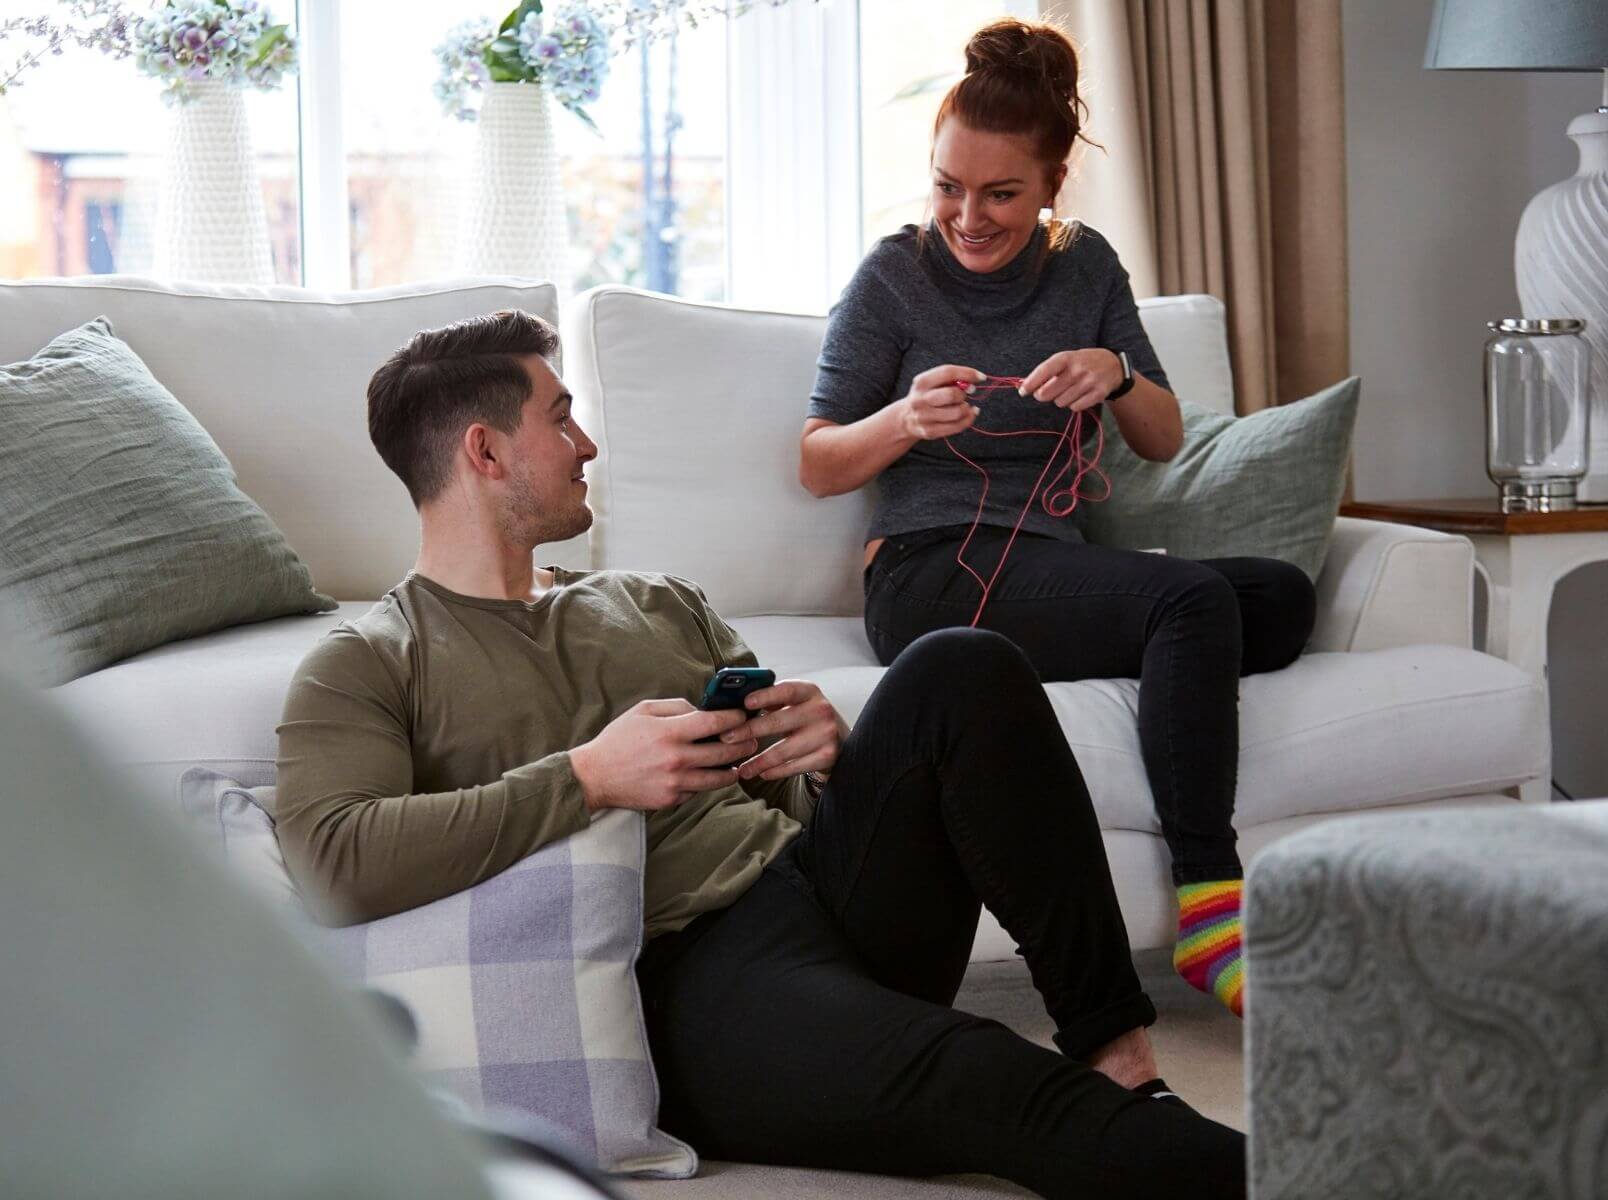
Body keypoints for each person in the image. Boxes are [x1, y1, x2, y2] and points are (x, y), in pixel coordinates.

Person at [272, 309, 1246, 1198]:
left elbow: (782, 787)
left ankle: (1121, 1058)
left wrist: (824, 757)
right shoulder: (373, 661)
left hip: (819, 896)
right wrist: (588, 778)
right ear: (484, 451)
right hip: (695, 988)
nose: (588, 443)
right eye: (560, 419)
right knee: (988, 1077)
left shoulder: (653, 598)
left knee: (964, 664)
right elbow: (331, 859)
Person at [798, 17, 1318, 1019]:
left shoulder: (1085, 269)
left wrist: (1117, 374)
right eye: (948, 186)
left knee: (1284, 599)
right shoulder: (891, 278)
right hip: (929, 579)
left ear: (1052, 185)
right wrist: (904, 420)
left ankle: (1150, 651)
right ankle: (1212, 898)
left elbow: (1162, 438)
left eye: (1001, 194)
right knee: (1194, 604)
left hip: (1042, 567)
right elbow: (819, 462)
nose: (968, 217)